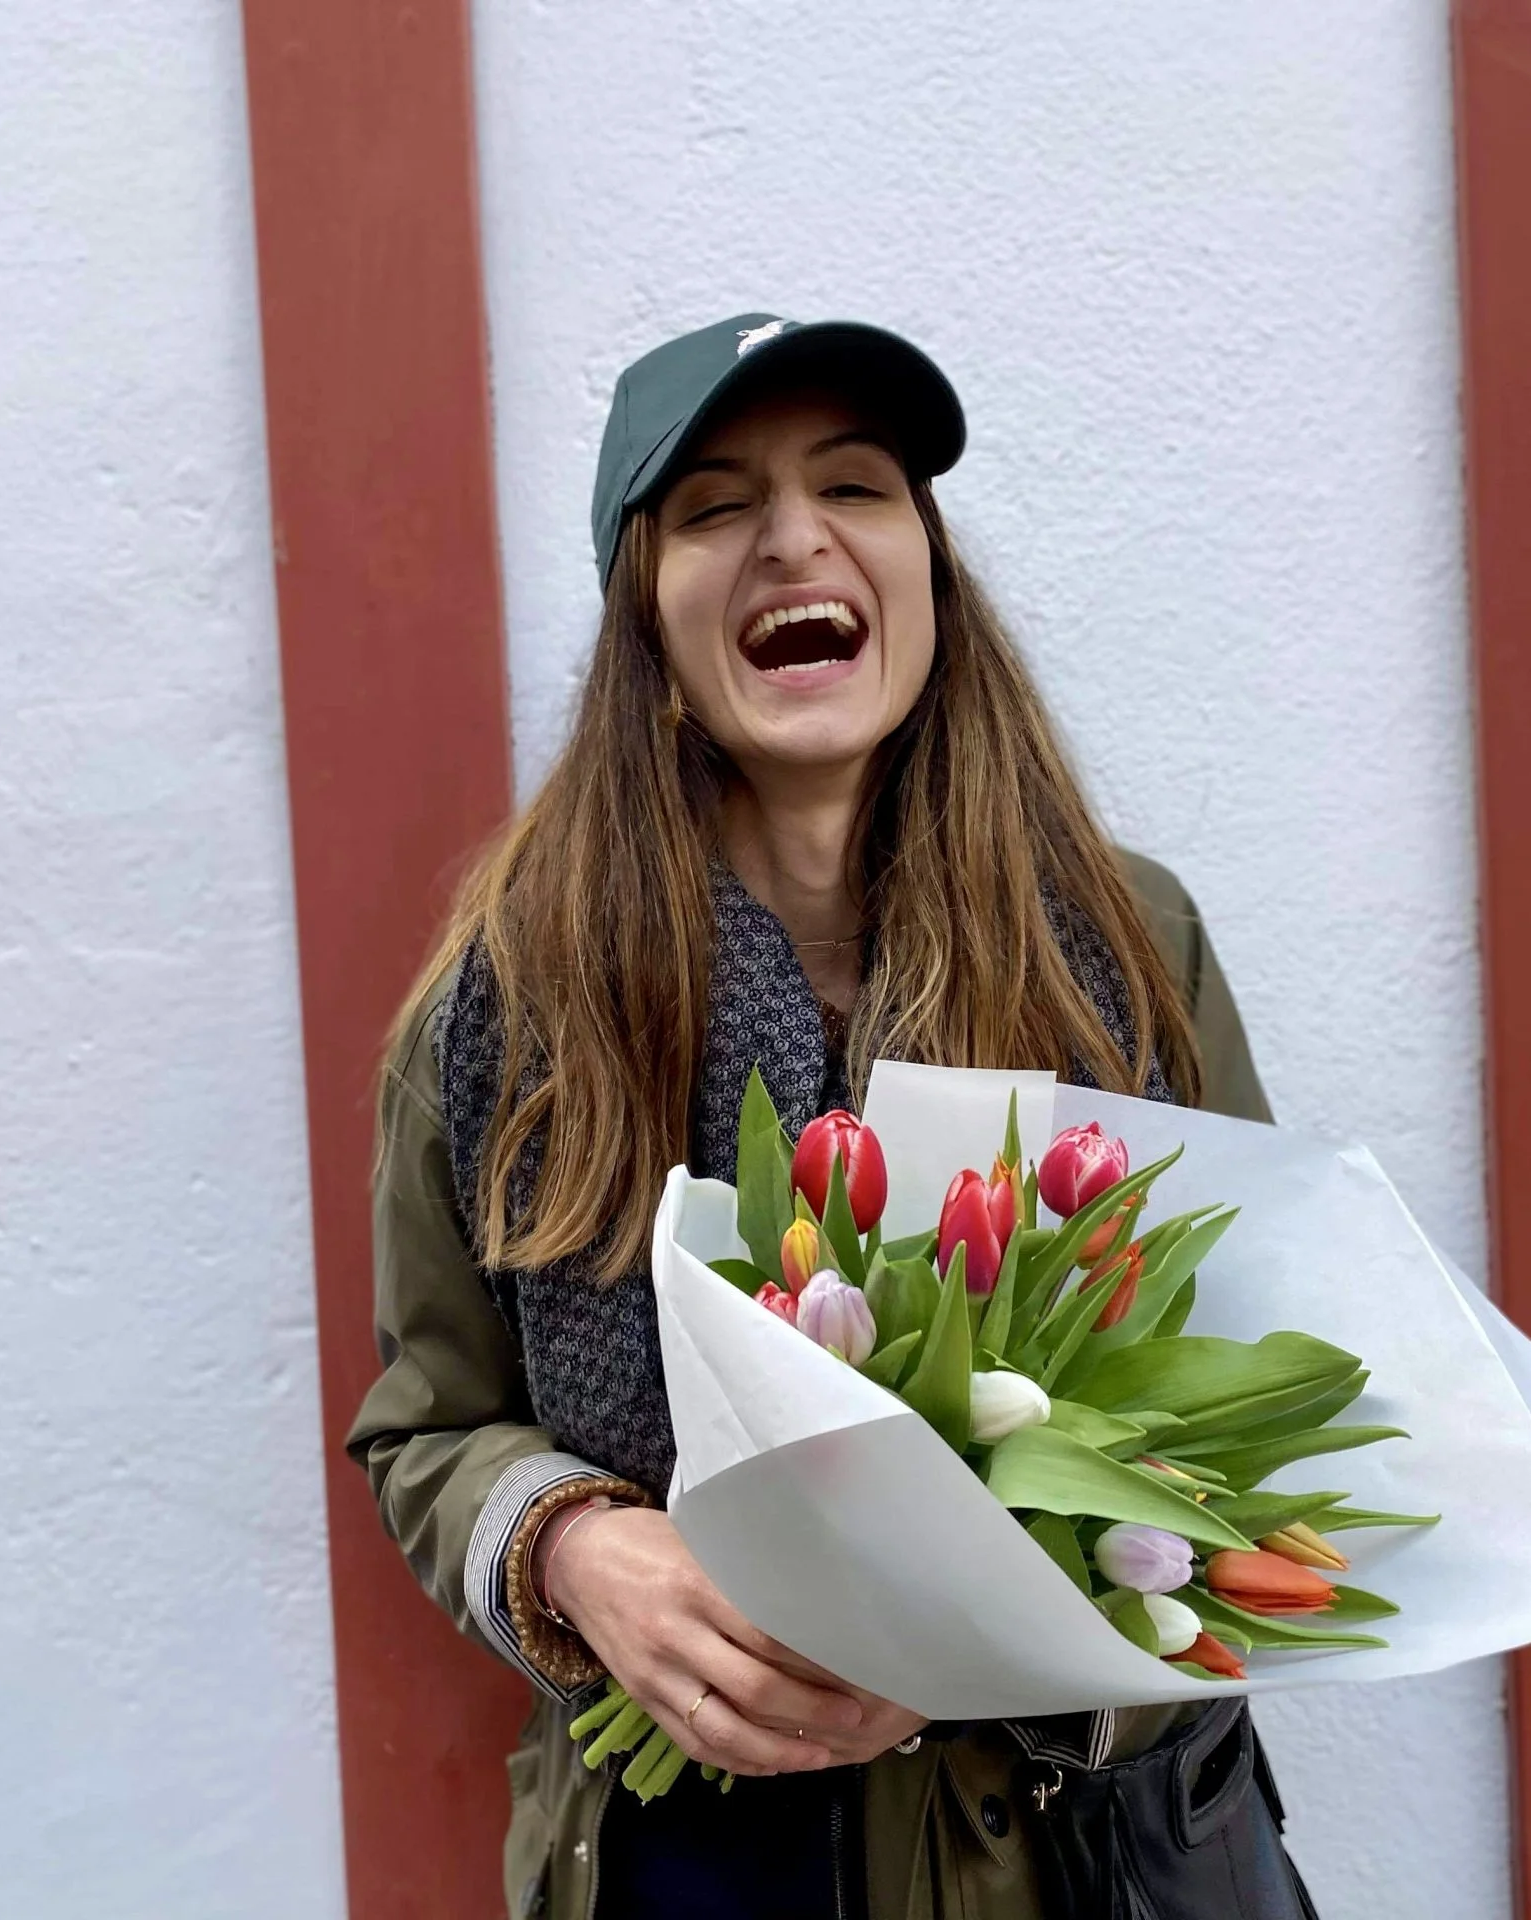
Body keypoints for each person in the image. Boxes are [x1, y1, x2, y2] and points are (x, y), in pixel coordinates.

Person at [350, 315, 1315, 1919]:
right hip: (691, 1864)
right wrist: (574, 1552)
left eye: (855, 487)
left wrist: (1004, 1640)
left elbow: (1258, 1406)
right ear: (643, 615)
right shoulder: (508, 1009)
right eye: (718, 506)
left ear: (927, 567)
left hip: (1085, 1858)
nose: (795, 536)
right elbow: (429, 1428)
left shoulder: (1127, 951)